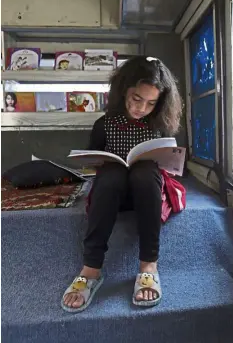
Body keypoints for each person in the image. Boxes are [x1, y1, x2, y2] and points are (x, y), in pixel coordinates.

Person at [61, 56, 183, 313]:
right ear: (123, 90)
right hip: (112, 192)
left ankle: (149, 265)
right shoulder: (103, 125)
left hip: (146, 192)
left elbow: (167, 163)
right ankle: (90, 270)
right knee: (113, 174)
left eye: (151, 103)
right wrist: (102, 163)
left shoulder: (159, 126)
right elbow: (93, 160)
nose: (142, 108)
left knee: (145, 172)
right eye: (136, 99)